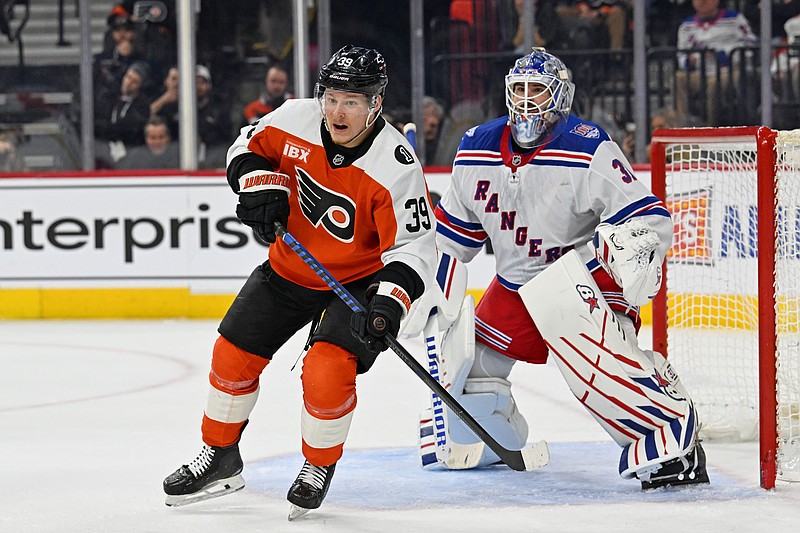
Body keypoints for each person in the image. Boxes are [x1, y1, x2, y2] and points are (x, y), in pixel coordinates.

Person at [407, 48, 709, 490]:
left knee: (594, 373)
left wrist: (626, 244)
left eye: (537, 90)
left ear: (560, 96)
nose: (527, 100)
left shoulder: (587, 145)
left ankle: (668, 431)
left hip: (580, 278)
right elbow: (452, 245)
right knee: (466, 382)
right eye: (519, 90)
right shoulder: (475, 148)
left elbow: (649, 218)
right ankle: (493, 438)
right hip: (514, 286)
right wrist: (418, 287)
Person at [162, 45, 437, 519]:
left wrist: (389, 304)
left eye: (352, 100)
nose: (337, 110)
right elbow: (245, 145)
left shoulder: (396, 164)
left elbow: (413, 249)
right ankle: (221, 457)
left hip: (355, 284)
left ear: (376, 104)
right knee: (232, 353)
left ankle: (317, 465)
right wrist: (255, 182)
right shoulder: (294, 117)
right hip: (290, 269)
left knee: (326, 369)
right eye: (331, 97)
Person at [674, 0, 757, 125]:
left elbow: (750, 44)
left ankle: (711, 126)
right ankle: (682, 126)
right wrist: (688, 61)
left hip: (728, 71)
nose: (704, 1)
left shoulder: (734, 19)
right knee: (678, 78)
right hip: (700, 72)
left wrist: (723, 56)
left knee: (714, 83)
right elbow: (680, 53)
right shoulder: (686, 26)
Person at [94, 61, 152, 165]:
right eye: (128, 77)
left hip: (131, 155)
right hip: (104, 150)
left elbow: (129, 129)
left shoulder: (142, 106)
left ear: (141, 85)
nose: (128, 83)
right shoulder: (109, 98)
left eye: (135, 81)